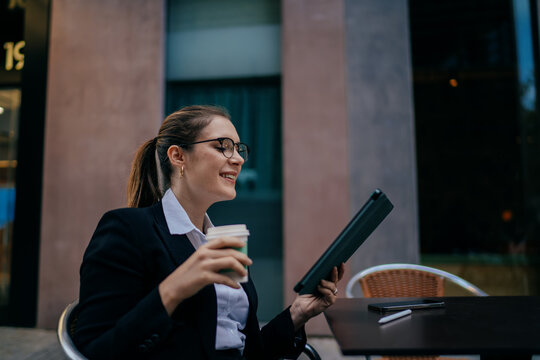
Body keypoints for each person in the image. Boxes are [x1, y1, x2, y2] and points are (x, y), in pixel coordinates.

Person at [73, 105, 345, 360]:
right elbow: (95, 350)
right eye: (223, 147)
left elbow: (248, 351)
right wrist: (173, 289)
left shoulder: (220, 241)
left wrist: (298, 313)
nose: (238, 159)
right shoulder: (128, 229)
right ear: (178, 156)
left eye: (238, 149)